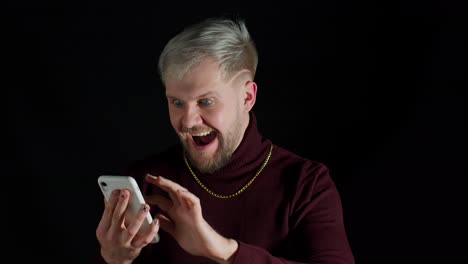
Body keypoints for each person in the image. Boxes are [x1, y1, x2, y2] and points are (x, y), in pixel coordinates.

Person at [95, 16, 354, 264]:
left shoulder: (307, 184)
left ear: (247, 98)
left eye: (205, 101)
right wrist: (114, 260)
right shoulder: (146, 181)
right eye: (176, 102)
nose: (187, 121)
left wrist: (221, 249)